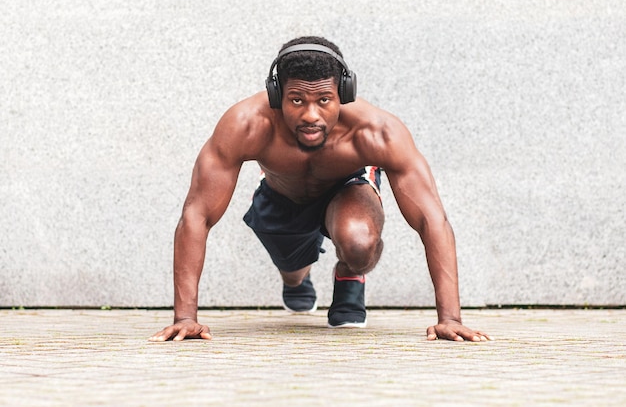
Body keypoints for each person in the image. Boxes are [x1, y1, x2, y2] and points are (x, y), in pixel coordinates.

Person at [150, 36, 491, 343]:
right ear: (277, 95)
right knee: (293, 267)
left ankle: (348, 275)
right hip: (282, 196)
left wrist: (450, 318)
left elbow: (432, 219)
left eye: (325, 99)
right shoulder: (246, 124)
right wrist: (185, 318)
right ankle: (297, 280)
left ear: (344, 93)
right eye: (296, 100)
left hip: (348, 188)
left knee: (358, 240)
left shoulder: (376, 132)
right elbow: (197, 214)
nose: (311, 114)